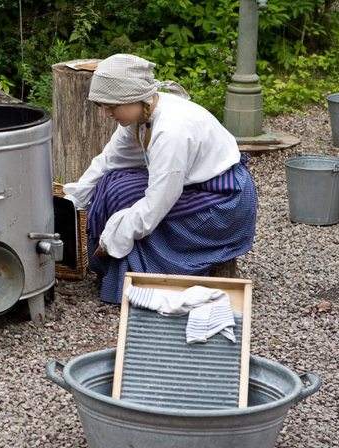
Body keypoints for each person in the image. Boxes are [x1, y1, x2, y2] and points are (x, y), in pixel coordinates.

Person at [63, 54, 258, 303]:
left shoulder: (171, 131)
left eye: (112, 106)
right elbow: (108, 161)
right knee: (112, 183)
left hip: (223, 202)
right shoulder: (142, 114)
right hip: (193, 185)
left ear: (134, 97)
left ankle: (143, 276)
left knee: (125, 198)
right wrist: (69, 204)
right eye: (104, 106)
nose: (108, 114)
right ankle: (115, 269)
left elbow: (156, 204)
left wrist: (113, 237)